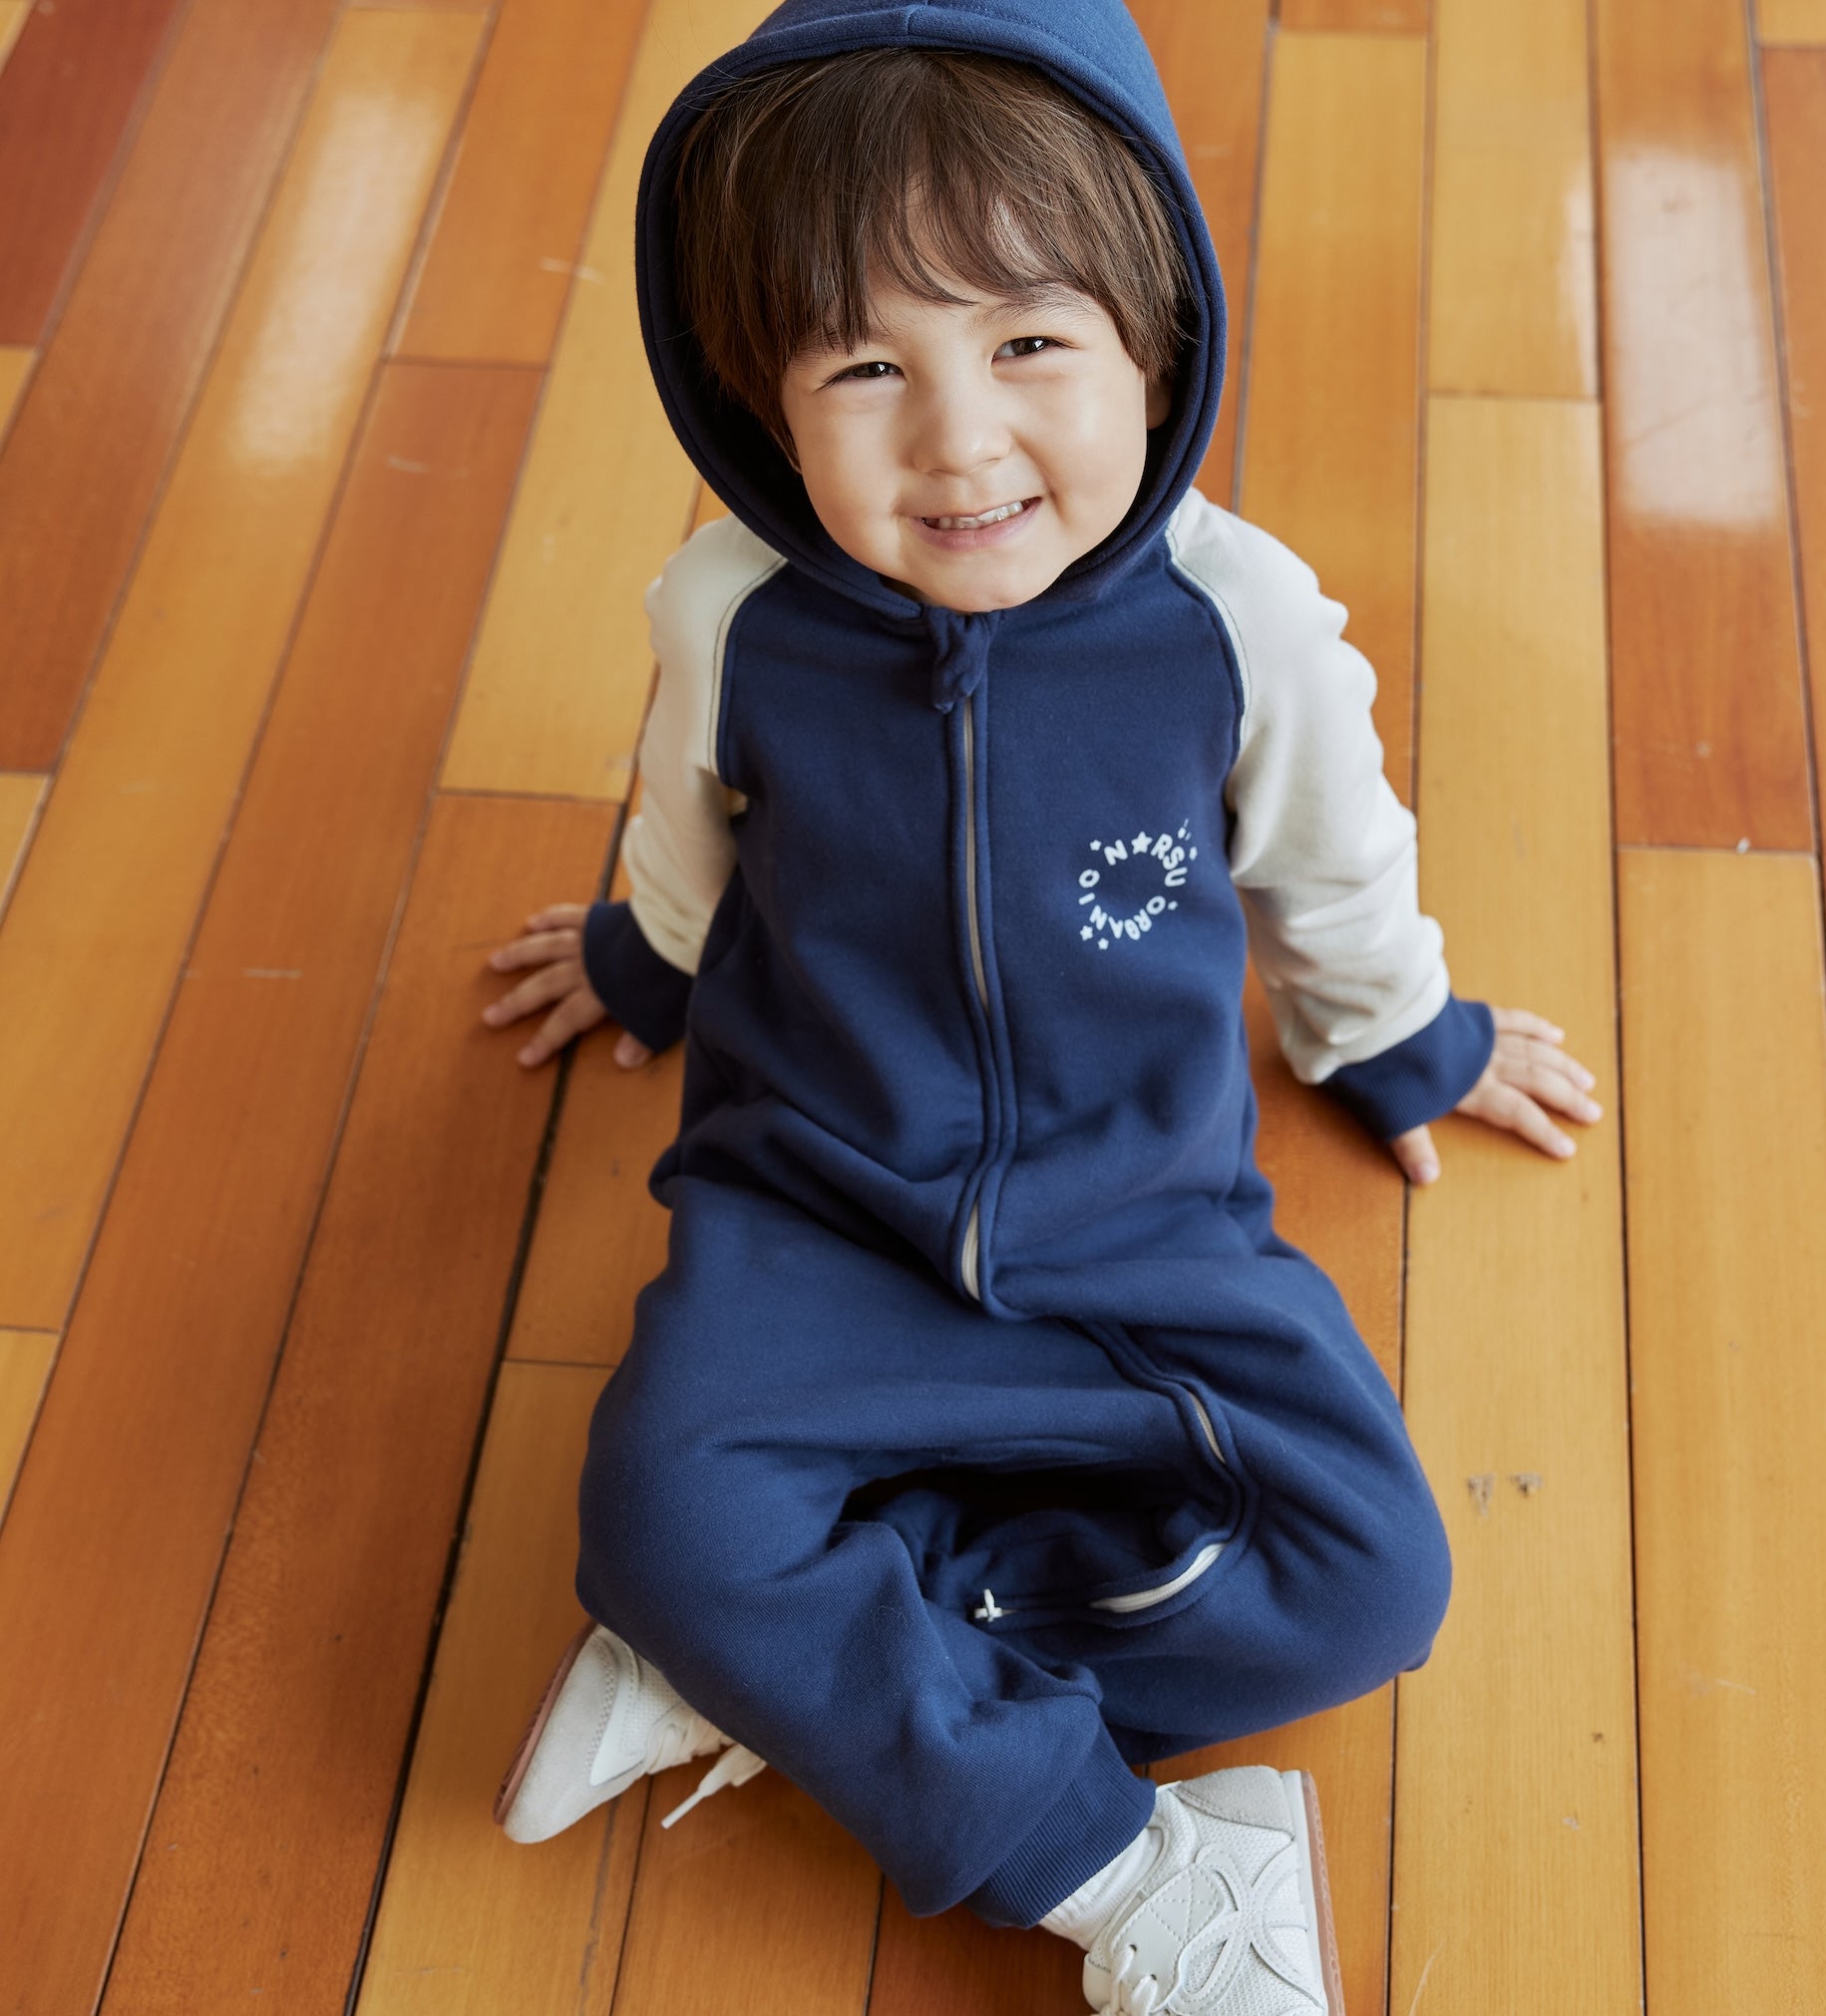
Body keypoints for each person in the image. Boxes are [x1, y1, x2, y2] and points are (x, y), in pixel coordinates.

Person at [480, 5, 1602, 2010]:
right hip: (811, 1208)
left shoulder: (1238, 623)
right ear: (756, 400)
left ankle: (808, 1660)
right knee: (653, 1511)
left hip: (1140, 1224)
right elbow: (684, 822)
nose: (957, 439)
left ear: (1154, 338)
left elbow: (1335, 865)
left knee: (1370, 1578)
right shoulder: (730, 615)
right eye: (864, 369)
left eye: (1025, 343)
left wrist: (1396, 1038)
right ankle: (1139, 1876)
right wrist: (642, 960)